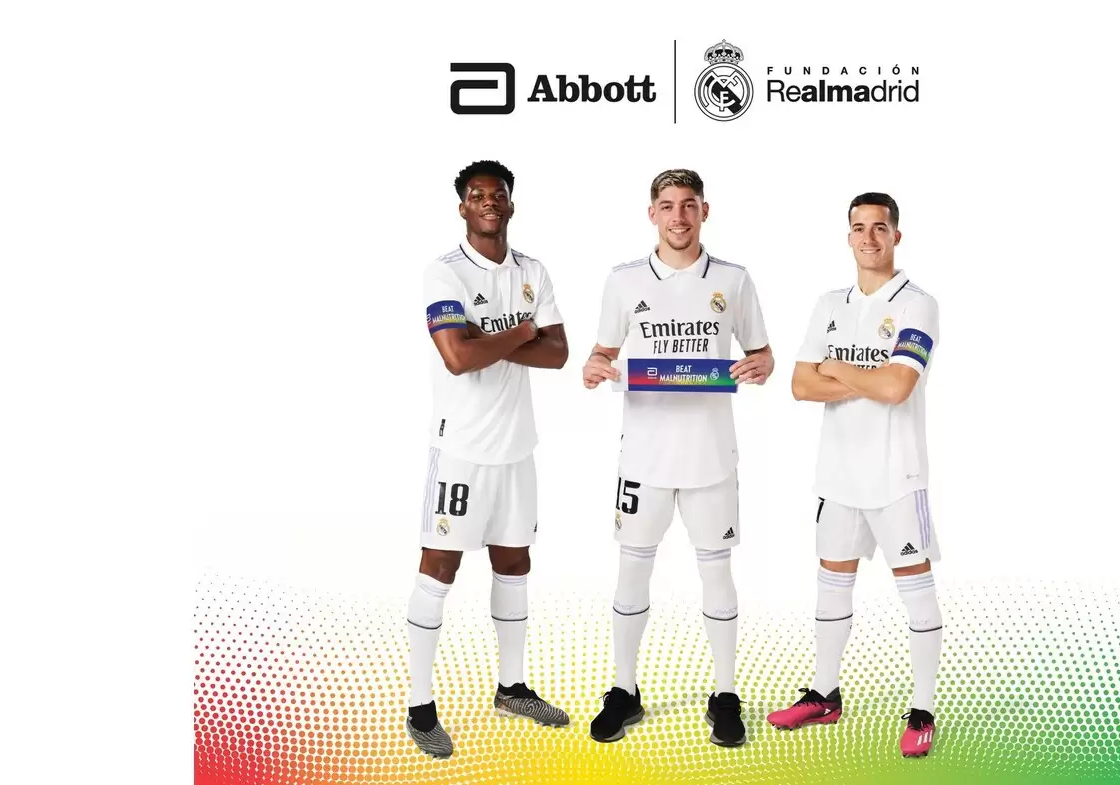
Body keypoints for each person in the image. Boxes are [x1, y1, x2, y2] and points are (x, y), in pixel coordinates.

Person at [580, 168, 774, 747]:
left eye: (689, 205)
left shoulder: (733, 280)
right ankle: (624, 691)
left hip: (711, 457)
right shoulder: (624, 280)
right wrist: (594, 367)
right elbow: (602, 352)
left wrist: (761, 366)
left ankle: (725, 695)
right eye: (667, 205)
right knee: (632, 570)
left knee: (717, 570)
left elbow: (762, 354)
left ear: (704, 211)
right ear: (652, 214)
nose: (679, 216)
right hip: (644, 458)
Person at [767, 192, 945, 758]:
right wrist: (864, 375)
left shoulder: (918, 305)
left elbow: (898, 388)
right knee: (831, 585)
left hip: (897, 477)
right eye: (859, 227)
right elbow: (800, 385)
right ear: (848, 236)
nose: (869, 237)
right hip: (838, 477)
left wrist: (837, 367)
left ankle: (923, 710)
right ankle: (824, 695)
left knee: (916, 591)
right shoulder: (830, 304)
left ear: (896, 236)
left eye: (880, 227)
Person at [405, 160, 571, 759]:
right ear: (463, 208)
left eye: (497, 194)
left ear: (511, 204)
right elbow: (457, 358)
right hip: (461, 451)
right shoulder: (444, 272)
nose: (489, 202)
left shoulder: (532, 271)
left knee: (515, 562)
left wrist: (488, 340)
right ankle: (420, 706)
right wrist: (522, 332)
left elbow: (558, 354)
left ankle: (512, 688)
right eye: (477, 195)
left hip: (516, 449)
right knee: (439, 568)